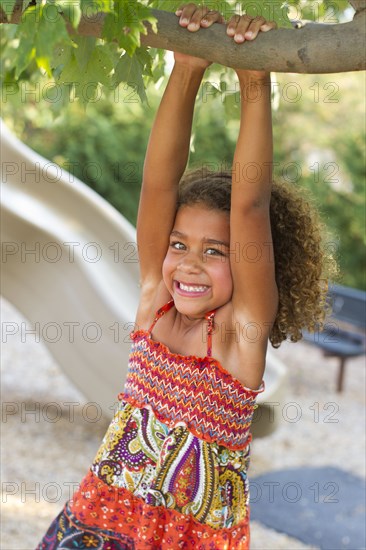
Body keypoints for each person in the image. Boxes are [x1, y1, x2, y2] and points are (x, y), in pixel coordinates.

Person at [37, 4, 335, 549]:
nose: (189, 263)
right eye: (179, 245)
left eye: (215, 251)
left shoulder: (237, 335)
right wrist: (187, 67)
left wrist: (254, 81)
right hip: (97, 523)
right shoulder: (155, 303)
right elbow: (157, 186)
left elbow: (249, 206)